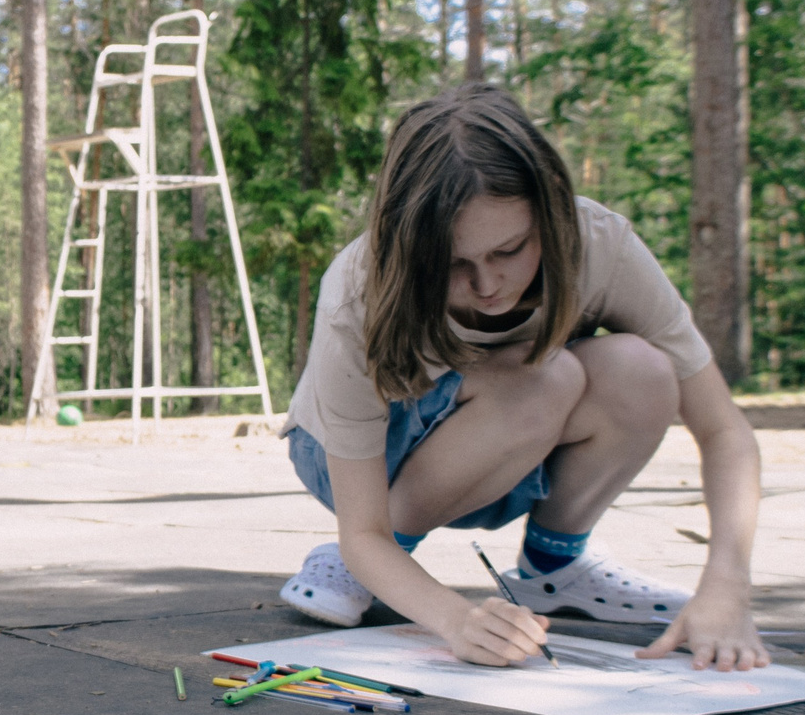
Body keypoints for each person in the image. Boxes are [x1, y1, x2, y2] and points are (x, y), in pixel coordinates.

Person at [279, 82, 766, 671]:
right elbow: (363, 531)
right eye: (455, 265)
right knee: (549, 378)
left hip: (510, 450)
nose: (488, 286)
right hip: (349, 463)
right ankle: (381, 565)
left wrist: (725, 586)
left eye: (510, 250)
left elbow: (725, 431)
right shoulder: (358, 288)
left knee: (641, 369)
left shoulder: (600, 245)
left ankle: (553, 567)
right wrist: (454, 618)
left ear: (550, 211)